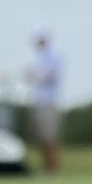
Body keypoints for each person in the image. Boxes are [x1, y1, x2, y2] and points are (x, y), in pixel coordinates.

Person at [28, 24, 63, 173]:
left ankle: (54, 170)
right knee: (42, 138)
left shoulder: (54, 55)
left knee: (51, 137)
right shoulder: (40, 57)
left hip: (49, 102)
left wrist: (36, 76)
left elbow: (52, 77)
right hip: (39, 102)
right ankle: (46, 169)